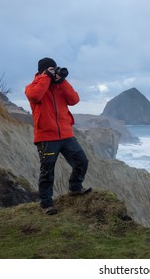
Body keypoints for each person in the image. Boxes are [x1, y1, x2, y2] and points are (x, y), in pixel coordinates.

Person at [25, 57, 91, 215]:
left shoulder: (59, 87)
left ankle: (75, 188)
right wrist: (46, 78)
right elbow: (35, 96)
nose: (55, 73)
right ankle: (46, 204)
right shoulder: (32, 87)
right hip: (46, 137)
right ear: (43, 72)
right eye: (52, 70)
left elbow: (74, 100)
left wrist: (61, 81)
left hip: (66, 134)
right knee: (47, 171)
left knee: (82, 161)